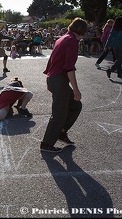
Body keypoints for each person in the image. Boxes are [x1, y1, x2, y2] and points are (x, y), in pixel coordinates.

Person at [40, 18, 88, 153]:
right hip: (59, 79)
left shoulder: (62, 38)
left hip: (54, 78)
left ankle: (61, 132)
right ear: (81, 31)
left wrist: (49, 79)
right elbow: (69, 68)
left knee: (75, 105)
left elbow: (52, 61)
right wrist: (76, 89)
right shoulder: (72, 41)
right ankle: (46, 144)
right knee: (59, 114)